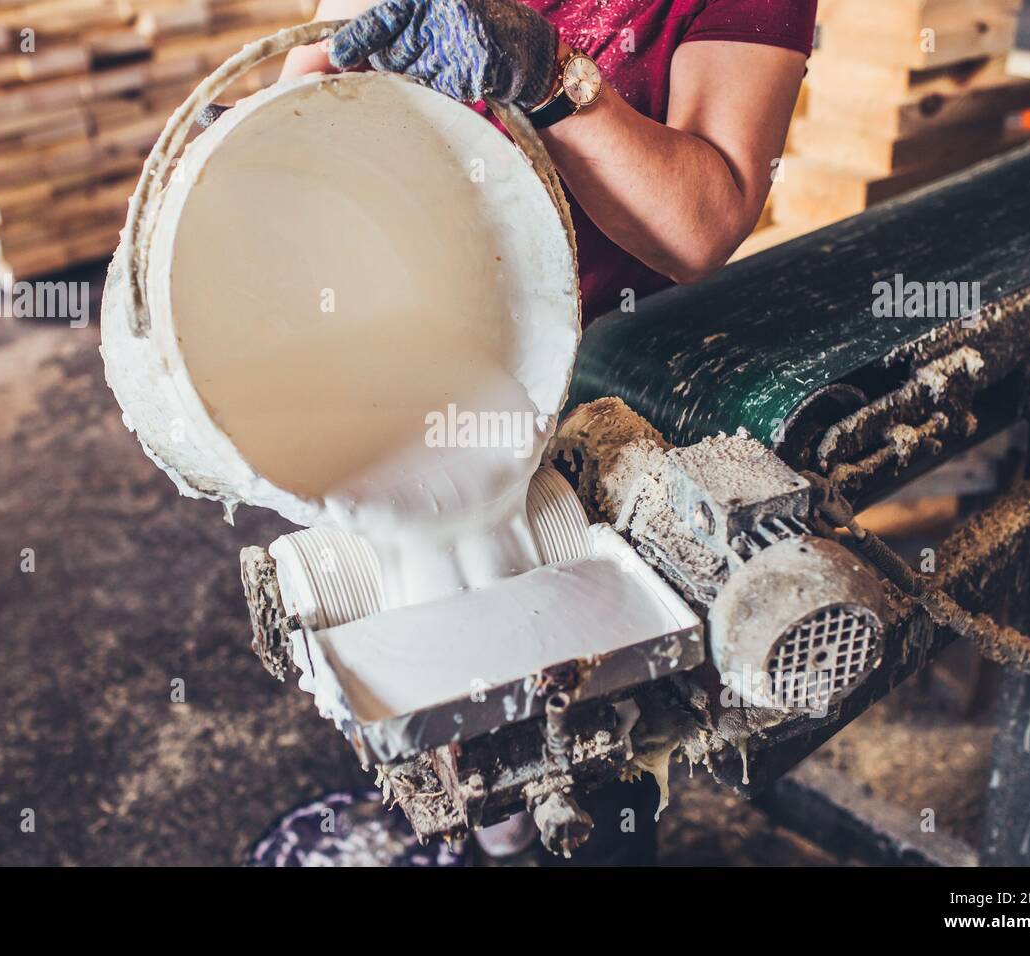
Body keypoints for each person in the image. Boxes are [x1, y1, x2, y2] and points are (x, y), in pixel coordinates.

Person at [245, 0, 817, 866]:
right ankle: (486, 828)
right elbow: (312, 88)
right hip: (396, 325)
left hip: (579, 364)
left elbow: (702, 222)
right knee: (434, 668)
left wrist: (553, 78)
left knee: (587, 723)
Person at [281, 0, 817, 324]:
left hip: (584, 354)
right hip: (393, 303)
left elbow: (700, 231)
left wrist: (548, 78)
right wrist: (262, 137)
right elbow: (322, 66)